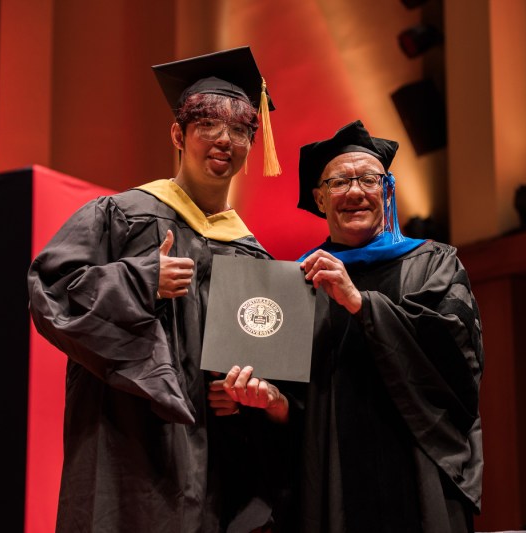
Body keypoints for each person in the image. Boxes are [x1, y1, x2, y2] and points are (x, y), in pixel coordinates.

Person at [27, 46, 284, 533]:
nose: (224, 140)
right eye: (208, 124)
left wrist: (255, 393)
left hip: (219, 469)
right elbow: (51, 290)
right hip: (128, 446)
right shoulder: (121, 215)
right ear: (177, 134)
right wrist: (139, 279)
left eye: (240, 129)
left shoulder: (254, 258)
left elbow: (273, 376)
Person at [221, 120, 484, 532]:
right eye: (340, 182)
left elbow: (455, 365)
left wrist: (362, 305)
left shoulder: (433, 264)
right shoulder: (297, 285)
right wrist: (273, 405)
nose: (356, 192)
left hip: (417, 479)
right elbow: (297, 409)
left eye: (369, 179)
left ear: (388, 190)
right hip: (333, 485)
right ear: (320, 199)